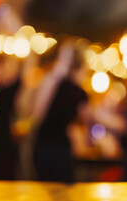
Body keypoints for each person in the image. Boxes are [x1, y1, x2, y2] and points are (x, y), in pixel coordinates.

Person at [31, 40, 89, 182]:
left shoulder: (50, 82)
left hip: (40, 145)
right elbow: (83, 124)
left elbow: (37, 114)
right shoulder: (79, 93)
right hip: (60, 149)